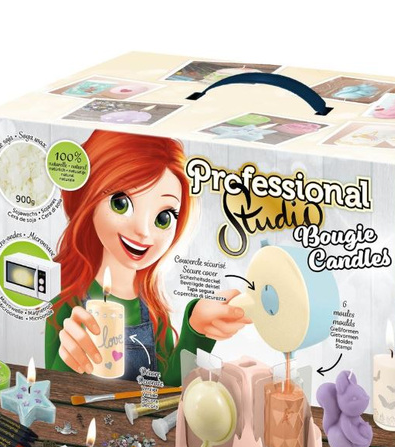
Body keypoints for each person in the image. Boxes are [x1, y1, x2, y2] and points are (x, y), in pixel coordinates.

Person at [45, 131, 249, 385]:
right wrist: (69, 359)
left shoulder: (153, 310)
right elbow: (53, 394)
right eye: (120, 204)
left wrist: (196, 329)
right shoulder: (65, 300)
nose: (143, 231)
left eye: (163, 218)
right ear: (89, 198)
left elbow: (166, 387)